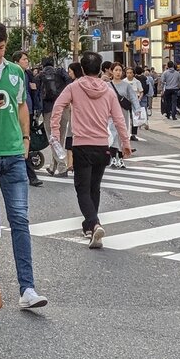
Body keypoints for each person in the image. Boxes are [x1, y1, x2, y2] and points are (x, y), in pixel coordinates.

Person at [0, 21, 47, 309]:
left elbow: (22, 105)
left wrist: (26, 139)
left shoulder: (16, 73)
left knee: (20, 221)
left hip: (14, 153)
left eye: (1, 47)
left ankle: (27, 288)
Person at [50, 52, 131, 248]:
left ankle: (94, 224)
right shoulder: (108, 90)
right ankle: (89, 226)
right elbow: (119, 118)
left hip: (81, 145)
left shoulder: (74, 87)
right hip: (102, 144)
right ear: (101, 68)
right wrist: (125, 142)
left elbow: (57, 107)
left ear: (83, 69)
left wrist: (54, 132)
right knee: (94, 187)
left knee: (82, 188)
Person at [12, 50, 43, 187]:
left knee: (25, 141)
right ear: (16, 62)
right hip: (17, 111)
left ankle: (28, 173)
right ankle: (31, 175)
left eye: (26, 59)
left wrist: (37, 109)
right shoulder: (13, 74)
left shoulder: (28, 74)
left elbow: (33, 92)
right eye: (24, 59)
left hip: (28, 110)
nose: (26, 61)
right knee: (22, 142)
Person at [38, 57, 71, 176]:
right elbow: (69, 81)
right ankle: (53, 166)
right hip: (63, 107)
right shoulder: (61, 72)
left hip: (48, 109)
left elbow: (36, 92)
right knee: (60, 138)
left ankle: (62, 167)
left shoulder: (40, 75)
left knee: (52, 139)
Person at [108, 62, 140, 168]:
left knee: (123, 135)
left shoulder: (126, 86)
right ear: (111, 71)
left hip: (123, 114)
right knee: (113, 135)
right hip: (110, 115)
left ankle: (121, 158)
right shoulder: (107, 86)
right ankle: (113, 158)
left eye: (120, 70)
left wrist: (137, 109)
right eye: (116, 70)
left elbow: (133, 98)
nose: (118, 72)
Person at [64, 62, 84, 172]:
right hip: (83, 118)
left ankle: (70, 163)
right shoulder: (85, 83)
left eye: (70, 71)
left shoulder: (74, 85)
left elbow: (64, 102)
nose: (69, 74)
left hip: (75, 116)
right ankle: (73, 163)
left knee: (70, 140)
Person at [126, 67, 144, 140]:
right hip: (126, 101)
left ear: (133, 74)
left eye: (130, 73)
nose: (129, 74)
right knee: (126, 118)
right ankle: (125, 133)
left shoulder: (137, 82)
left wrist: (139, 99)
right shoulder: (124, 82)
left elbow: (141, 91)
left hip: (135, 101)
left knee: (134, 118)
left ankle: (133, 134)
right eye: (127, 73)